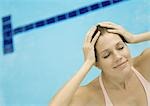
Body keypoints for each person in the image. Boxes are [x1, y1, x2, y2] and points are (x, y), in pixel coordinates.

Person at [49, 22, 150, 106]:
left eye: (120, 47)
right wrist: (87, 64)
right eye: (106, 55)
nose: (118, 56)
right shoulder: (93, 95)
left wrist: (135, 38)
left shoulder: (145, 65)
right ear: (97, 63)